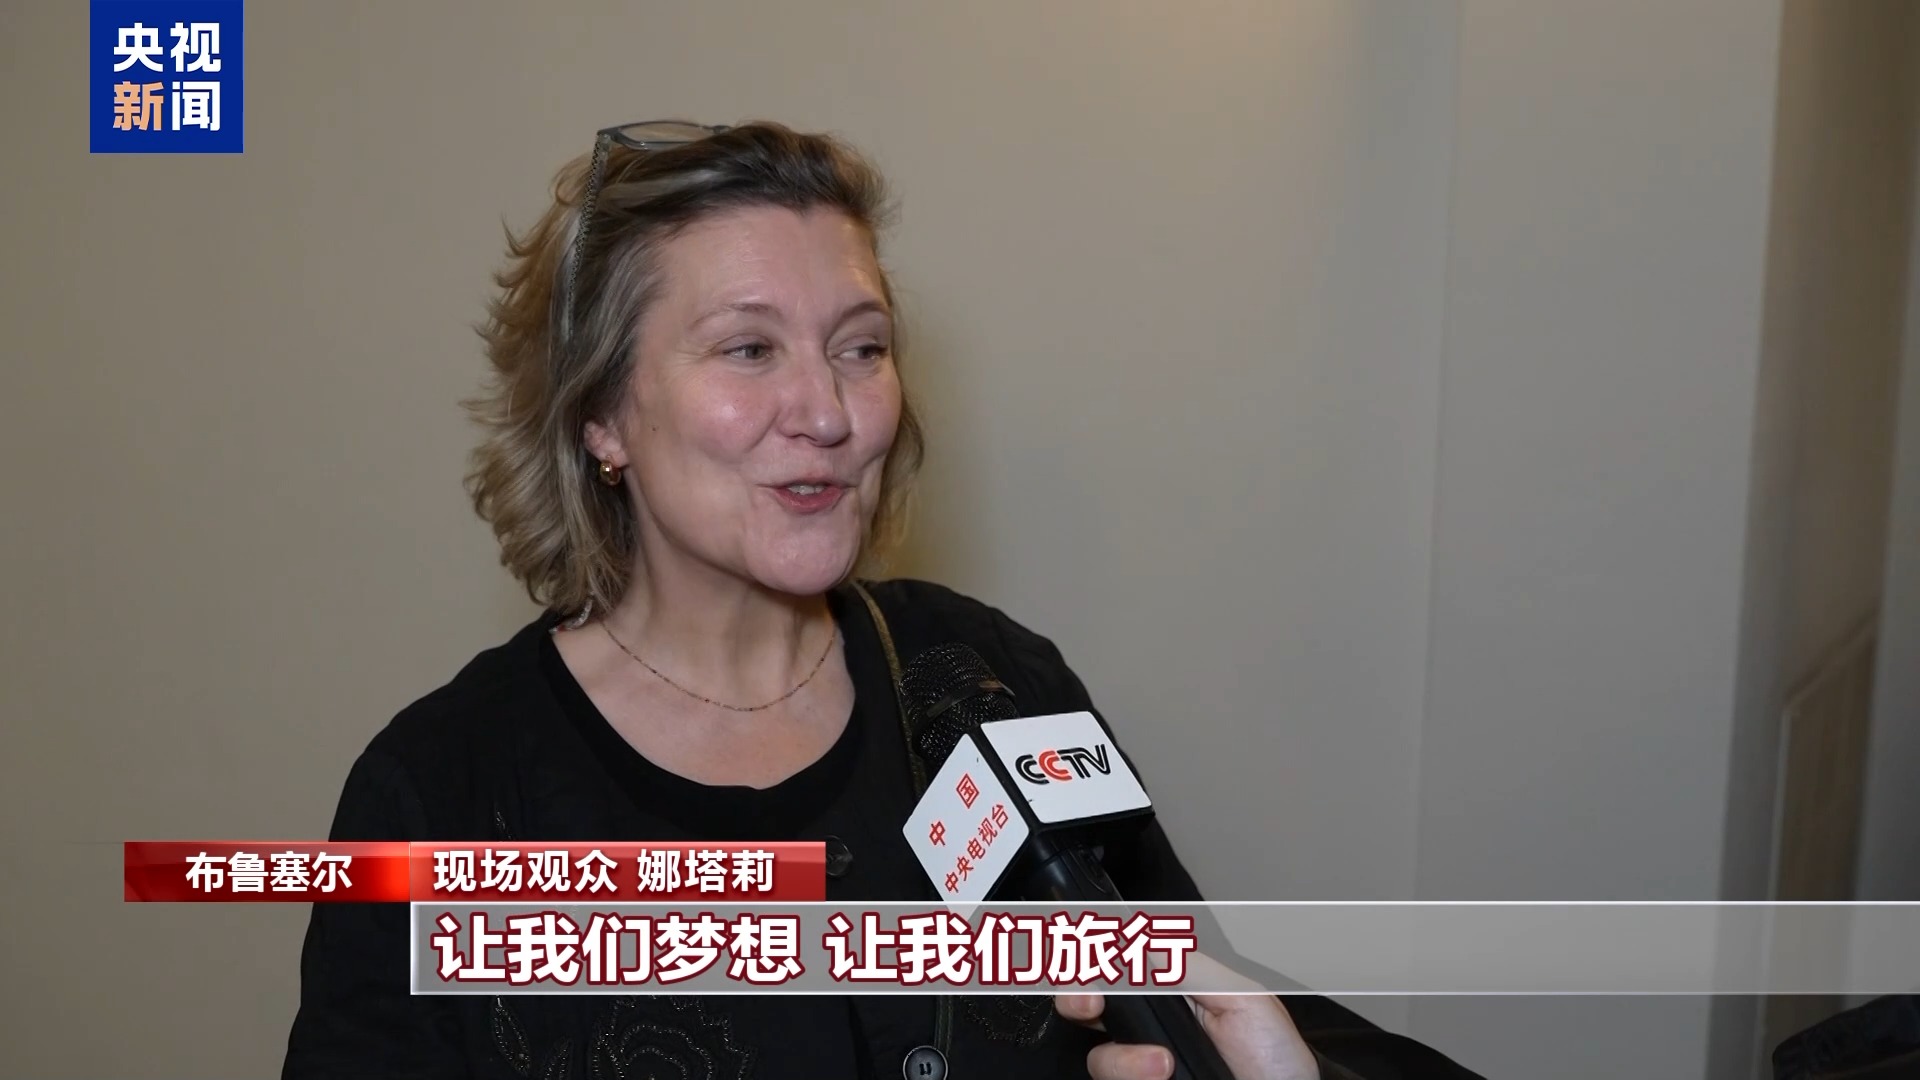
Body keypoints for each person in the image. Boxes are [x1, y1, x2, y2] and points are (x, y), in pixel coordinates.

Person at [282, 120, 1479, 1080]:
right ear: (600, 416)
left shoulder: (992, 683)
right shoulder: (443, 795)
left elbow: (1210, 1002)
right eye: (749, 349)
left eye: (861, 347)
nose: (829, 412)